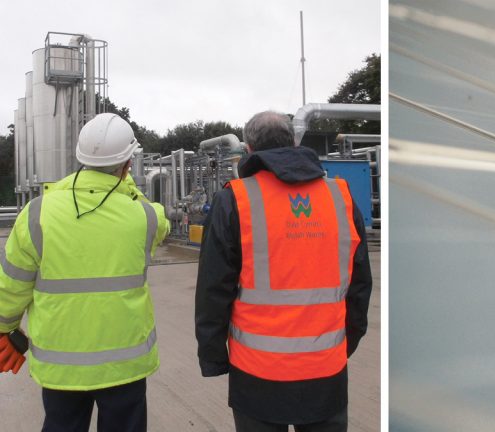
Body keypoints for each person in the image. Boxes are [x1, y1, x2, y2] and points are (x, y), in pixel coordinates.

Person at [195, 111, 372, 432]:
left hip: (256, 372)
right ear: (293, 142)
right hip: (325, 370)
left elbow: (213, 290)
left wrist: (213, 355)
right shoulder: (340, 197)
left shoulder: (234, 199)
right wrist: (347, 342)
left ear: (249, 149)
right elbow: (360, 285)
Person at [0, 113, 169, 432]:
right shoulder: (144, 216)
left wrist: (4, 326)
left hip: (62, 366)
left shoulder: (37, 212)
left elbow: (12, 283)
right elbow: (161, 221)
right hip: (125, 366)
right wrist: (126, 185)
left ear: (80, 158)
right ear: (128, 163)